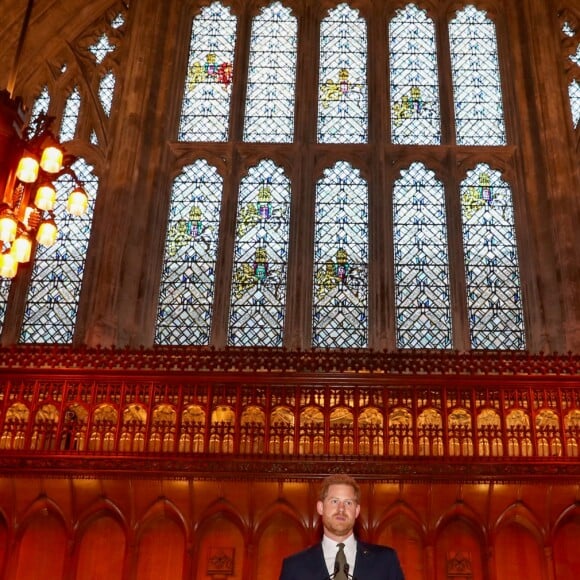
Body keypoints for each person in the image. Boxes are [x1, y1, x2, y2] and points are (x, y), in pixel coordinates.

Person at [279, 474, 405, 580]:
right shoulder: (294, 566)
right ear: (320, 507)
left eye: (348, 502)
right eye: (334, 501)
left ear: (356, 511)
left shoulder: (385, 561)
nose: (341, 509)